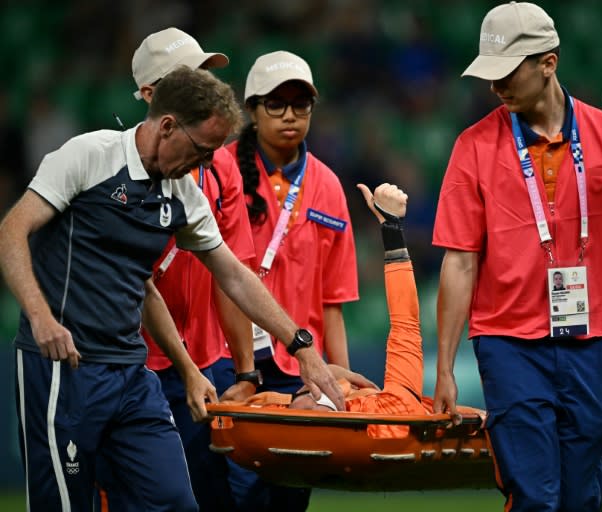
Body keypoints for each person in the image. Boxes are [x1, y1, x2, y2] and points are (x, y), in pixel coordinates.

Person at [0, 66, 343, 512]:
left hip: (130, 372)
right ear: (167, 126)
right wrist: (40, 316)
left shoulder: (183, 194)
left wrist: (300, 346)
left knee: (177, 502)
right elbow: (12, 230)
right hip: (64, 369)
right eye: (202, 151)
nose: (205, 166)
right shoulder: (89, 155)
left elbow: (232, 275)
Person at [431, 3, 602, 511]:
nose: (496, 85)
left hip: (590, 340)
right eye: (489, 73)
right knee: (536, 498)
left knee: (584, 497)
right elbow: (459, 261)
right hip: (507, 342)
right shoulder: (471, 146)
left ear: (549, 62)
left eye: (508, 71)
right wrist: (446, 366)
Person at [99, 27, 258, 512]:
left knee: (207, 499)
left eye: (204, 75)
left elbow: (233, 275)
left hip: (206, 367)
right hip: (128, 366)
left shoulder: (220, 167)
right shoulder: (108, 165)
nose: (202, 87)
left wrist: (247, 370)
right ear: (150, 96)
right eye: (186, 77)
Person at [217, 50, 359, 511]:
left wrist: (342, 386)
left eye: (301, 104)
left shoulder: (329, 186)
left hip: (302, 368)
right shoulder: (219, 170)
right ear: (252, 110)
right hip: (227, 359)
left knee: (289, 497)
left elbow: (333, 300)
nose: (290, 115)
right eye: (275, 104)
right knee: (231, 494)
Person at [245, 183, 483, 436]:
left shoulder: (270, 408)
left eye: (302, 400)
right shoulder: (393, 414)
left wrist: (336, 374)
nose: (307, 394)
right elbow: (406, 323)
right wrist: (391, 227)